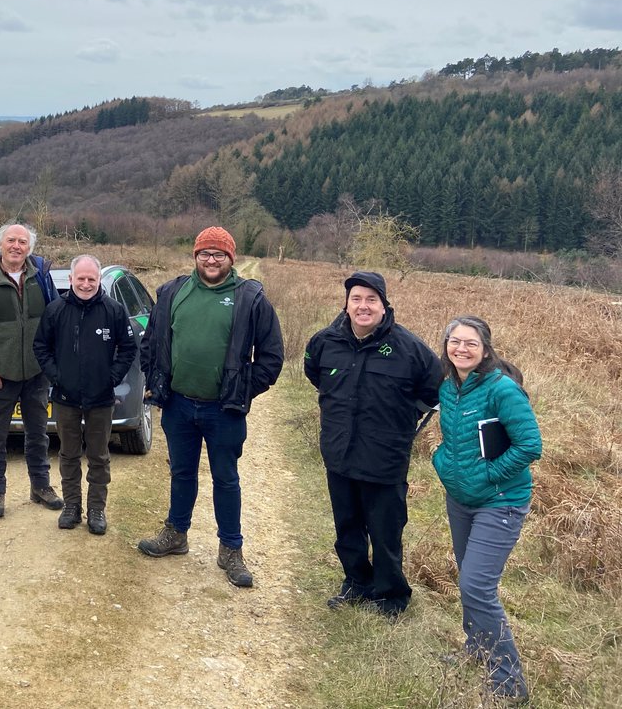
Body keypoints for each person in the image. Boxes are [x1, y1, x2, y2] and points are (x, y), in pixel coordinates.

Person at [137, 226, 283, 587]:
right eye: (205, 253)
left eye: (219, 254)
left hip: (224, 410)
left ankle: (231, 549)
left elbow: (271, 357)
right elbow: (151, 342)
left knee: (226, 478)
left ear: (231, 258)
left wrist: (243, 389)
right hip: (179, 405)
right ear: (195, 257)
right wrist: (155, 379)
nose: (211, 260)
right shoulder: (173, 292)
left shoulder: (250, 298)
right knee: (181, 472)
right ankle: (176, 533)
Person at [304, 270, 442, 616]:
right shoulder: (325, 341)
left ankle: (391, 596)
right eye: (356, 299)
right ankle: (356, 583)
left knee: (385, 531)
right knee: (347, 526)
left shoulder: (410, 349)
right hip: (339, 452)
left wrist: (409, 413)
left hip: (385, 457)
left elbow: (436, 389)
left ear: (384, 305)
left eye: (371, 299)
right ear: (346, 304)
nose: (363, 306)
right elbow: (315, 373)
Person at [432, 316, 541, 702]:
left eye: (470, 343)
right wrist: (442, 461)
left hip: (501, 502)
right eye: (455, 341)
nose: (461, 348)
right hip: (461, 499)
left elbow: (530, 445)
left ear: (485, 349)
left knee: (476, 585)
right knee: (470, 579)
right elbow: (453, 437)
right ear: (446, 345)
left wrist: (489, 475)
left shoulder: (502, 389)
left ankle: (510, 683)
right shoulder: (449, 387)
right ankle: (477, 649)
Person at [33, 254, 137, 535]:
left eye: (92, 279)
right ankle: (71, 506)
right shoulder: (56, 310)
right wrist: (56, 376)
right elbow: (40, 347)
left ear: (99, 279)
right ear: (71, 279)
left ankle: (96, 510)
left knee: (99, 456)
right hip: (65, 398)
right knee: (68, 454)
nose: (86, 284)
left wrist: (112, 378)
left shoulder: (114, 310)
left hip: (101, 399)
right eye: (81, 278)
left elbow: (128, 348)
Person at [0, 221, 62, 518]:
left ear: (29, 247)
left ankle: (41, 486)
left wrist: (51, 363)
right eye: (11, 240)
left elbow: (55, 319)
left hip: (36, 373)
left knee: (38, 434)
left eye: (22, 242)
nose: (16, 246)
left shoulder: (42, 276)